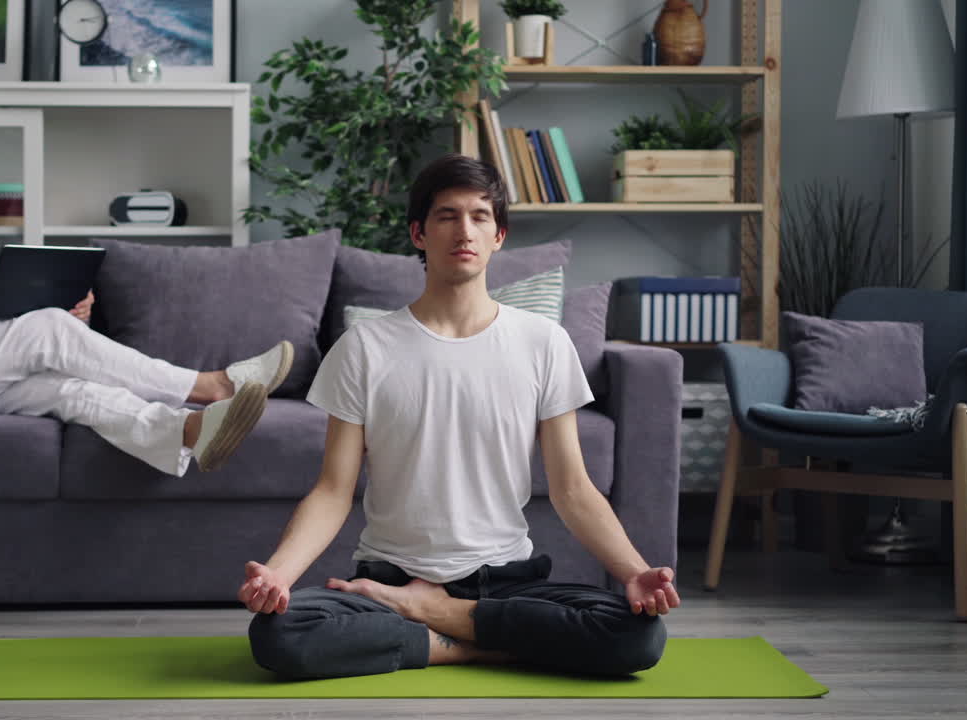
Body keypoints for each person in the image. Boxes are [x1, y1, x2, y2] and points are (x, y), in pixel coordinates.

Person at [238, 153, 681, 679]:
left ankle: (440, 621)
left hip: (507, 584)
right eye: (447, 216)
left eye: (479, 216)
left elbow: (573, 490)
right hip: (391, 583)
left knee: (640, 634)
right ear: (419, 234)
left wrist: (633, 572)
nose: (463, 230)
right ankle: (482, 642)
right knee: (278, 636)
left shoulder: (543, 343)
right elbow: (334, 491)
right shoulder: (365, 347)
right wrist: (280, 576)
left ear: (499, 235)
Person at [0, 92, 290, 475]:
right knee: (45, 331)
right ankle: (208, 385)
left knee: (67, 388)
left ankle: (188, 430)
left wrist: (61, 310)